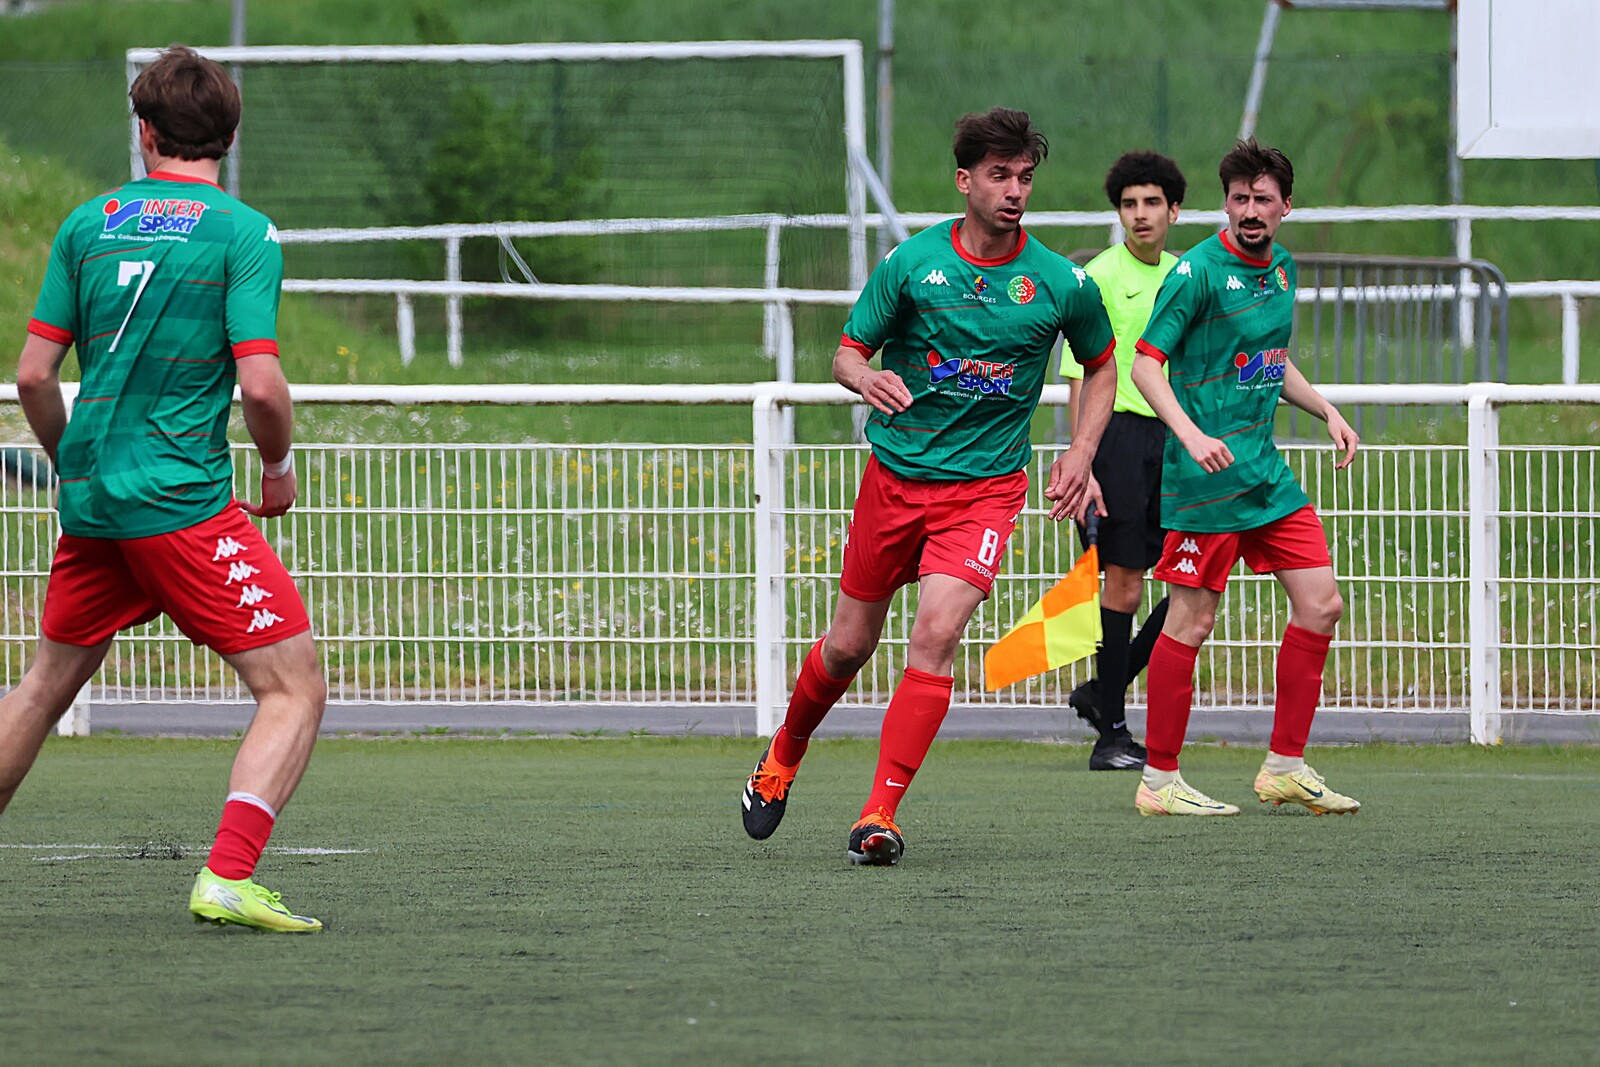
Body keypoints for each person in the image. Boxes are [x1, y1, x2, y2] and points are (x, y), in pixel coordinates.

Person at [0, 45, 328, 928]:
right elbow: (261, 386)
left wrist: (71, 462)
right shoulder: (242, 233)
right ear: (230, 136)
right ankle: (227, 876)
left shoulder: (87, 224)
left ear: (144, 133)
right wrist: (277, 467)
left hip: (94, 501)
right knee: (293, 686)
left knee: (42, 687)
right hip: (180, 501)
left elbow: (33, 375)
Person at [740, 107, 1119, 865]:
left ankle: (879, 814)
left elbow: (1102, 363)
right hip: (895, 480)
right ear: (964, 181)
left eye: (1025, 178)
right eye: (1000, 176)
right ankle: (784, 751)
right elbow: (847, 353)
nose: (1015, 191)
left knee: (937, 634)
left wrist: (1081, 451)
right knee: (848, 646)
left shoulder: (1059, 281)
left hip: (984, 492)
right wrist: (864, 377)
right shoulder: (913, 264)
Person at [1127, 137, 1360, 817]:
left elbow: (1269, 360)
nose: (1250, 210)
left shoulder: (1282, 269)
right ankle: (1159, 780)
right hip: (1205, 480)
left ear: (1286, 206)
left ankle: (1284, 766)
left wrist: (1326, 409)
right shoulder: (1196, 272)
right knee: (1192, 620)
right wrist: (1191, 433)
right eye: (1239, 199)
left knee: (1321, 604)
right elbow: (1145, 365)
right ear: (1225, 204)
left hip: (1263, 474)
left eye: (1262, 199)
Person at [1061, 151, 1188, 772]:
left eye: (1151, 203)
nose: (1140, 215)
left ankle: (1102, 691)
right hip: (1117, 441)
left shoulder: (1188, 274)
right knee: (1126, 584)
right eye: (1129, 204)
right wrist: (1083, 464)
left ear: (1174, 211)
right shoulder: (1098, 279)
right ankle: (1111, 734)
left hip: (1179, 441)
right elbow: (1081, 377)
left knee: (1195, 578)